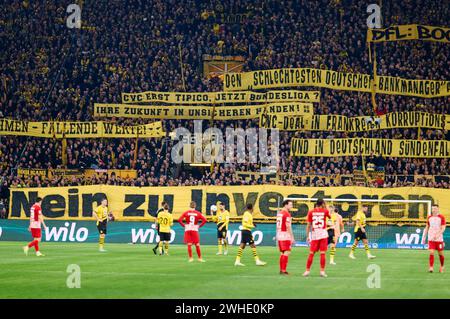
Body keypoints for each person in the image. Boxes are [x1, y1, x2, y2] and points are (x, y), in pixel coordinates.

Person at [303, 199, 331, 277]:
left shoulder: (311, 212)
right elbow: (330, 216)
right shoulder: (325, 211)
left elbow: (308, 225)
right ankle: (322, 271)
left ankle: (307, 271)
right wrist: (326, 207)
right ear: (322, 204)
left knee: (311, 253)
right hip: (323, 234)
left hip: (315, 234)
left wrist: (308, 236)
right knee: (322, 253)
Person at [422, 204, 446, 273]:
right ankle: (431, 267)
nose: (433, 210)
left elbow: (443, 228)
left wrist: (437, 235)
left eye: (435, 208)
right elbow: (427, 227)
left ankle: (442, 266)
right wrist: (424, 237)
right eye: (432, 209)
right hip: (431, 238)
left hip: (439, 239)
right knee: (431, 252)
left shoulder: (441, 217)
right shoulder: (429, 217)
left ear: (438, 209)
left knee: (440, 254)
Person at [277, 199, 294, 275]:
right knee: (287, 252)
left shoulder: (279, 213)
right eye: (290, 205)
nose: (292, 206)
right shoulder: (287, 214)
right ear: (286, 205)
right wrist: (292, 237)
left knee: (282, 252)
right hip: (285, 234)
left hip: (279, 233)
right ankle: (283, 270)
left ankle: (281, 270)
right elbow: (288, 226)